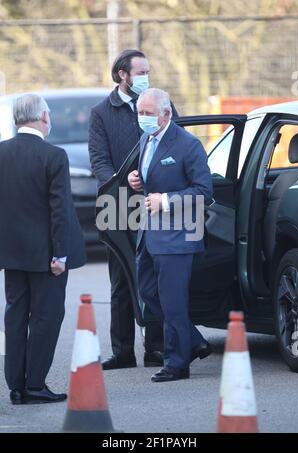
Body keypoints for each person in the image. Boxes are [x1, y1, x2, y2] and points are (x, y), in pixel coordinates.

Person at [89, 49, 178, 370]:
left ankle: (155, 346)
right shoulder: (102, 113)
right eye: (140, 72)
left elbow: (176, 144)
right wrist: (119, 181)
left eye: (147, 71)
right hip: (119, 204)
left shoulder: (161, 104)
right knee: (121, 280)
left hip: (157, 205)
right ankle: (123, 350)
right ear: (122, 75)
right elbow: (98, 159)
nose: (145, 77)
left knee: (154, 277)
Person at [0, 94, 86, 404]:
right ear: (43, 118)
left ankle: (15, 386)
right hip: (47, 255)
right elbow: (59, 210)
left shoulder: (2, 152)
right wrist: (60, 255)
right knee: (46, 319)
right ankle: (34, 384)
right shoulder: (54, 156)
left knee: (15, 316)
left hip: (12, 254)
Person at [128, 88, 213, 382]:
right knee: (149, 293)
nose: (142, 118)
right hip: (149, 234)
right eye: (139, 112)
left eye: (148, 113)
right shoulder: (145, 138)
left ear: (165, 114)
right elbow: (150, 179)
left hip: (178, 237)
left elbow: (204, 192)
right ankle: (192, 340)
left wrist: (165, 200)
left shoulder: (188, 145)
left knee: (173, 300)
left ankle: (176, 362)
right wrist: (136, 180)